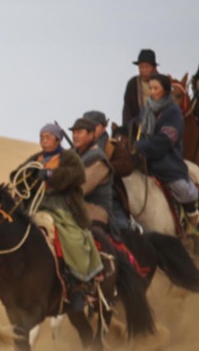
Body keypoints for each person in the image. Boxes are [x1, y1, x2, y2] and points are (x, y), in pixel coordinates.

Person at [12, 123, 103, 311]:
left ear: (57, 139)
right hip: (34, 204)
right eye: (41, 137)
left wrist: (49, 174)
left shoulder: (68, 156)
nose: (44, 141)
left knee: (72, 239)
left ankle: (79, 285)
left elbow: (78, 175)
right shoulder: (36, 158)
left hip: (61, 206)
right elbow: (15, 175)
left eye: (48, 137)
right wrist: (30, 174)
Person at [134, 73, 199, 228]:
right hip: (144, 162)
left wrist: (140, 146)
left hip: (167, 162)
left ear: (165, 90)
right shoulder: (146, 110)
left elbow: (165, 140)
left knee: (183, 190)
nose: (152, 92)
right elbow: (136, 127)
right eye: (150, 88)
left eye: (155, 88)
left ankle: (192, 217)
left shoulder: (173, 113)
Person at [69, 117, 117, 251]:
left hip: (94, 210)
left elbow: (80, 188)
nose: (75, 136)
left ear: (91, 135)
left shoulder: (98, 159)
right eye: (74, 132)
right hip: (74, 205)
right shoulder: (71, 154)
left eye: (79, 132)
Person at [82, 110, 134, 232]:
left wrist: (104, 168)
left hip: (108, 193)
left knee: (122, 229)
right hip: (84, 193)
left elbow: (127, 165)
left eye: (92, 126)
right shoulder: (80, 147)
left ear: (102, 127)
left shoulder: (112, 145)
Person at [123, 49, 159, 129]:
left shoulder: (162, 83)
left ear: (154, 68)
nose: (144, 70)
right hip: (138, 128)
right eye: (141, 67)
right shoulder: (132, 84)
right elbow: (127, 110)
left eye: (147, 67)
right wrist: (129, 127)